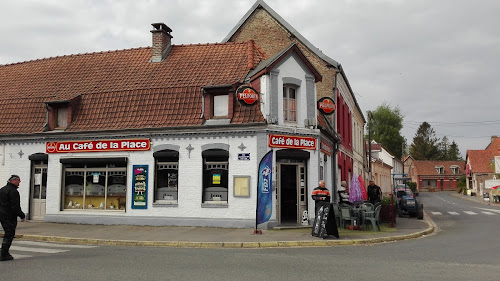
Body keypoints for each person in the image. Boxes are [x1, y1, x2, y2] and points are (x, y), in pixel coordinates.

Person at [0, 175, 26, 261]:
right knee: (9, 234)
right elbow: (15, 206)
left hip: (2, 214)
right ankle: (3, 253)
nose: (19, 183)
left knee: (8, 233)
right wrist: (22, 215)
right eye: (18, 181)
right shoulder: (13, 191)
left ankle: (5, 252)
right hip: (9, 216)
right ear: (13, 181)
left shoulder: (2, 189)